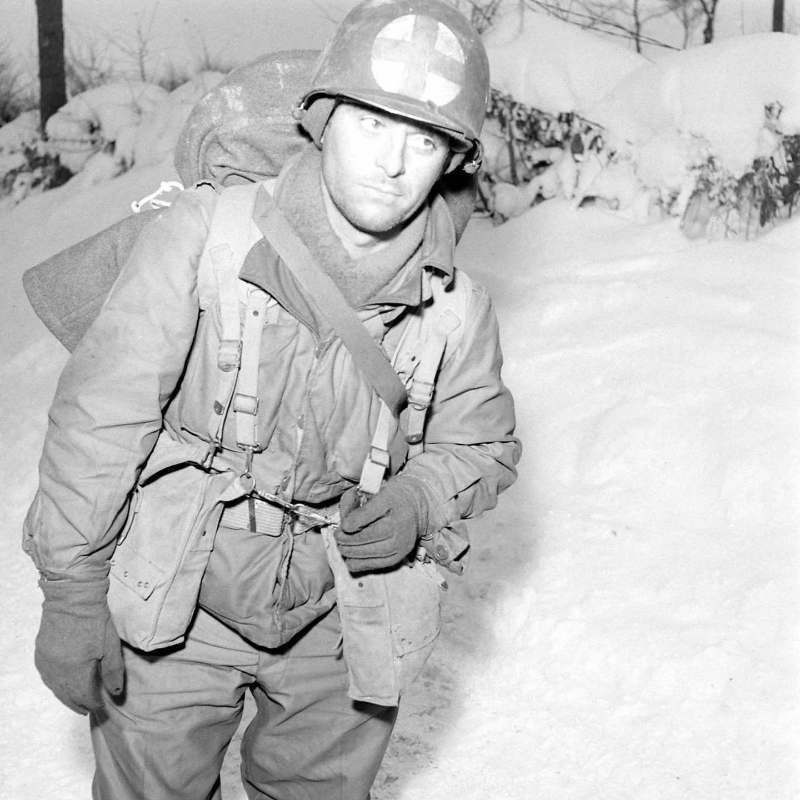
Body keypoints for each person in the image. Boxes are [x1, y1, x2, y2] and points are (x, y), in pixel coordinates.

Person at [22, 1, 521, 797]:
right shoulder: (204, 235)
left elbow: (484, 447)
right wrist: (73, 594)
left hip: (343, 618)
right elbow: (101, 418)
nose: (394, 163)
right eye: (372, 126)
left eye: (424, 141)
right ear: (322, 121)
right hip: (179, 600)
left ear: (452, 160)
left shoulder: (457, 307)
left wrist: (420, 500)